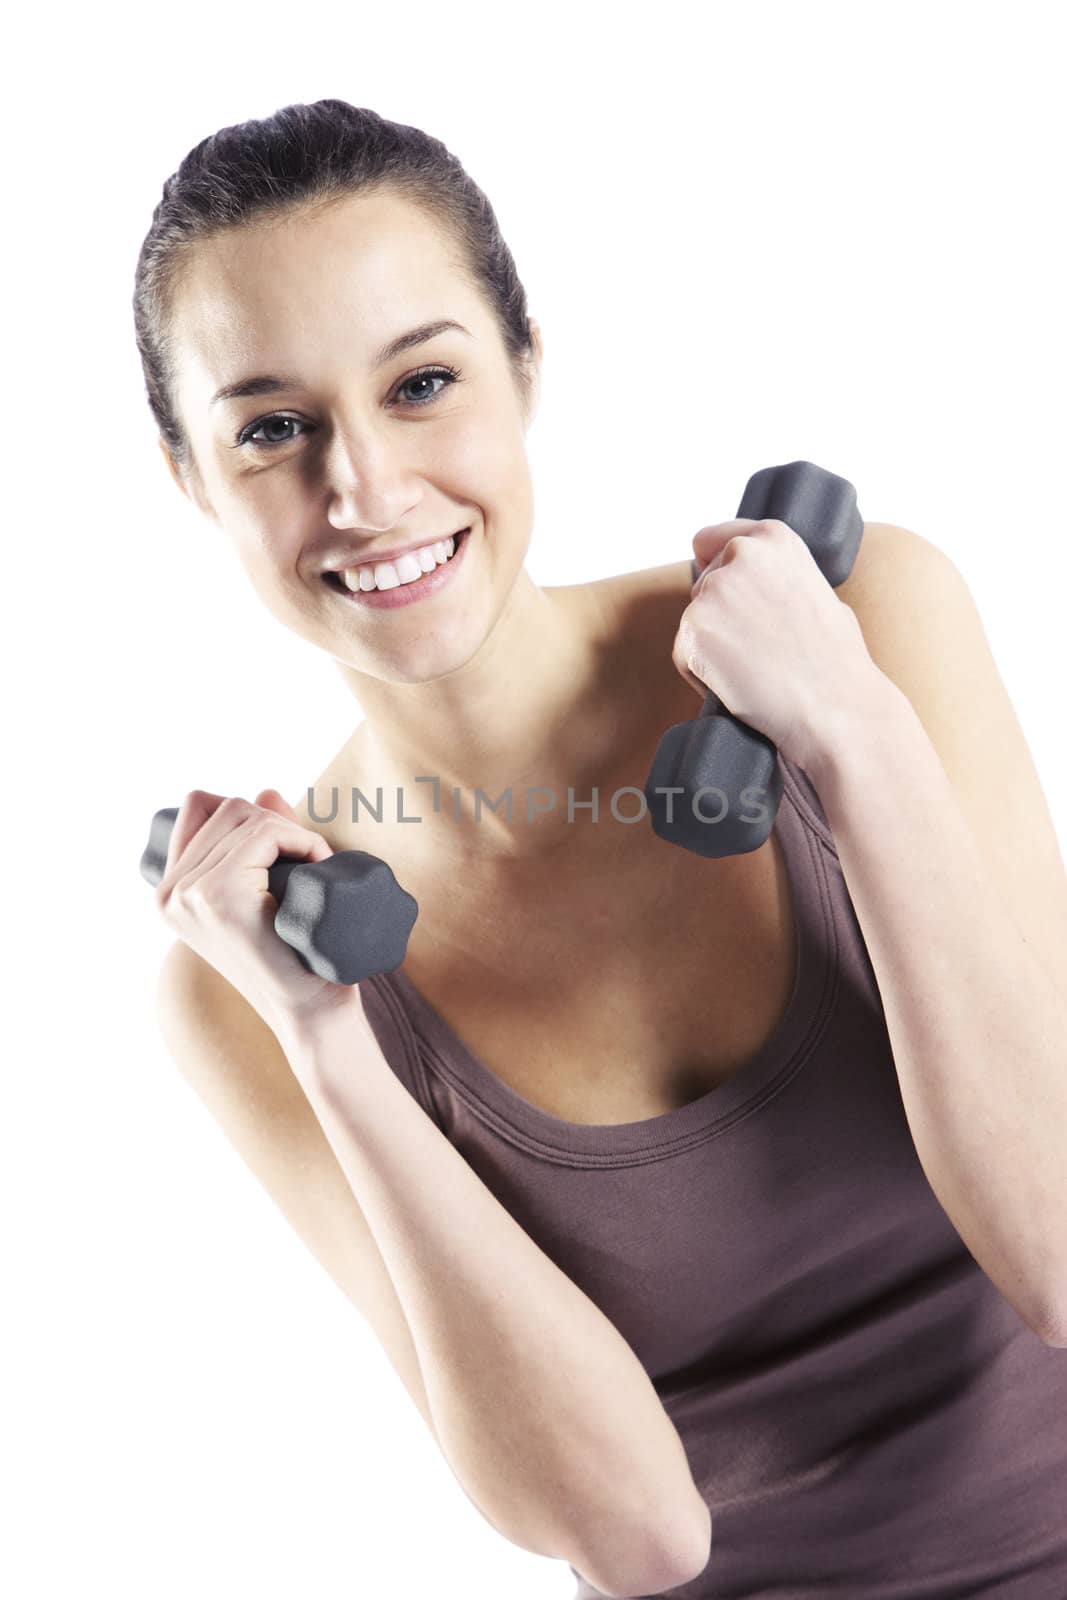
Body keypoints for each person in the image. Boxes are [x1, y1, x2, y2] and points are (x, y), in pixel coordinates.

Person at [138, 100, 1067, 1597]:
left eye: (422, 383)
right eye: (270, 430)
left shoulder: (863, 616)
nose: (364, 488)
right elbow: (638, 1535)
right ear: (191, 477)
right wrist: (329, 1043)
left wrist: (857, 738)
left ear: (525, 368)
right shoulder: (245, 978)